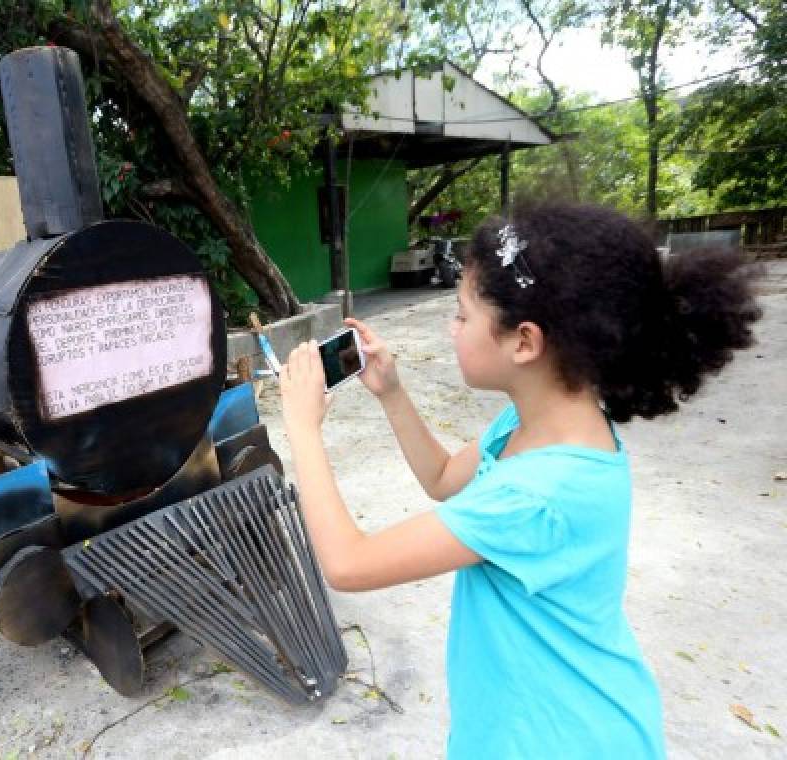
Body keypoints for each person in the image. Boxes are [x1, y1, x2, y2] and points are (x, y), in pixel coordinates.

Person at [279, 202, 761, 758]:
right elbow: (440, 478)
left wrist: (302, 428)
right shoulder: (533, 425)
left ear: (524, 342)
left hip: (559, 740)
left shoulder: (538, 495)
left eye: (461, 315)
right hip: (532, 724)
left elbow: (348, 564)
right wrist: (392, 393)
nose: (451, 327)